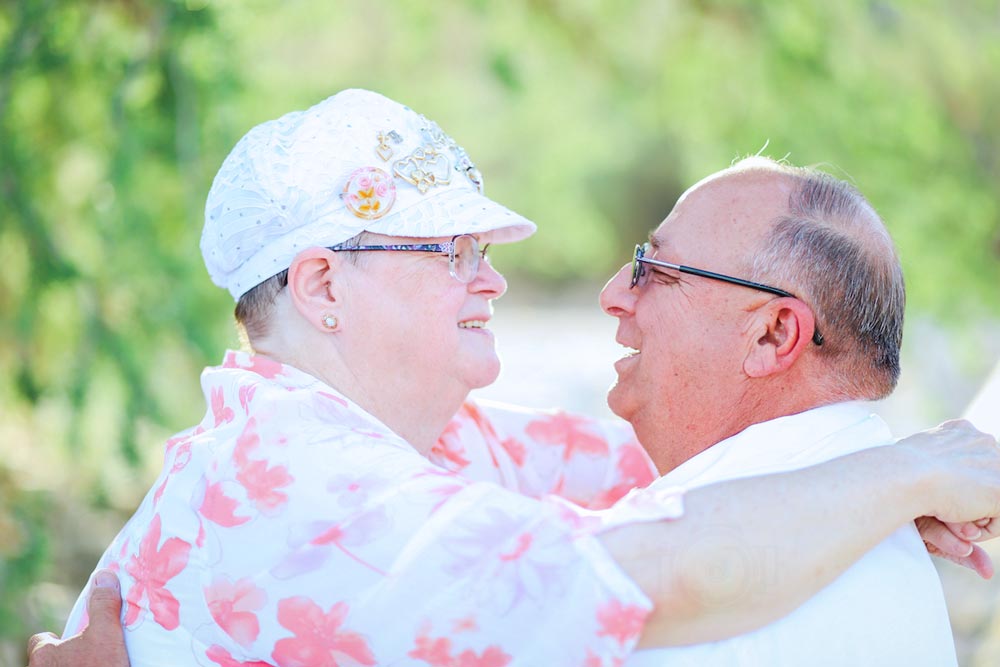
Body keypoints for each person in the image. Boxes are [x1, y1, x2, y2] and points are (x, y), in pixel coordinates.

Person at [36, 89, 1000, 667]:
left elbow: (678, 472)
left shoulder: (429, 440)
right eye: (451, 250)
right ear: (324, 282)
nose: (490, 278)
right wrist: (902, 476)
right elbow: (677, 564)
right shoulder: (293, 488)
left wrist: (858, 482)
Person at [599, 157, 967, 665]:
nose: (615, 294)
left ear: (774, 334)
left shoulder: (696, 610)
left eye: (657, 270)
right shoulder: (870, 521)